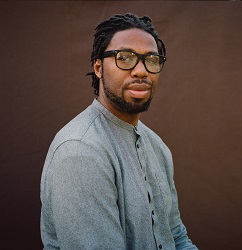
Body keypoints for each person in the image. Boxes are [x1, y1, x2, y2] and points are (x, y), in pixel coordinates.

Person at [40, 13, 198, 250]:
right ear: (98, 67)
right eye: (125, 58)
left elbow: (177, 238)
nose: (141, 71)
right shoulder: (81, 151)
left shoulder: (156, 146)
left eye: (151, 60)